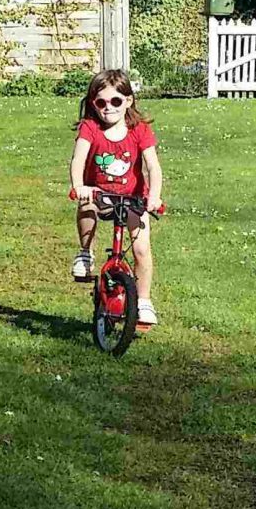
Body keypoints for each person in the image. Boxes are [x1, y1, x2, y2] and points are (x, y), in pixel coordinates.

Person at [69, 70, 164, 328]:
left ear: (128, 101)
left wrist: (154, 196)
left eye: (115, 101)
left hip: (133, 197)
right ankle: (85, 252)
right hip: (99, 193)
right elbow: (78, 160)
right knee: (86, 205)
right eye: (100, 102)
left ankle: (143, 300)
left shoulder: (139, 130)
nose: (107, 108)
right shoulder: (90, 128)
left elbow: (153, 166)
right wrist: (79, 186)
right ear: (93, 103)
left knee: (141, 249)